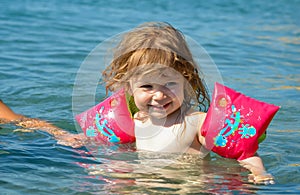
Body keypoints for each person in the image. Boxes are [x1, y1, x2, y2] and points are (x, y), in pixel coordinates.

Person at [0, 22, 274, 184]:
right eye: (146, 86)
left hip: (183, 188)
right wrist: (77, 139)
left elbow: (245, 154)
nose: (158, 95)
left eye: (169, 84)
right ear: (128, 86)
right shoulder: (133, 121)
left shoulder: (196, 122)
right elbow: (104, 143)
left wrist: (258, 172)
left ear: (187, 80)